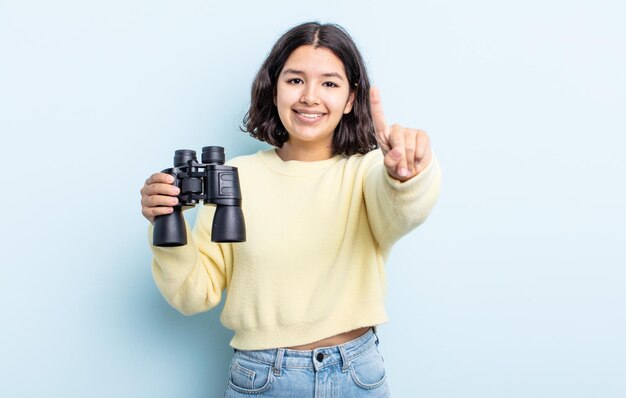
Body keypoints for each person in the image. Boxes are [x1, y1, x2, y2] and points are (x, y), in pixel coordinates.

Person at [140, 22, 441, 397]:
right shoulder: (237, 176)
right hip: (262, 376)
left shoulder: (367, 171)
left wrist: (406, 175)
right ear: (274, 88)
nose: (310, 97)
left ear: (351, 98)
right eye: (295, 80)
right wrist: (166, 224)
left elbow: (403, 210)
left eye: (330, 83)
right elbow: (191, 294)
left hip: (356, 373)